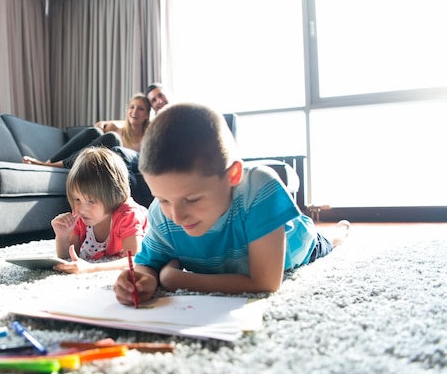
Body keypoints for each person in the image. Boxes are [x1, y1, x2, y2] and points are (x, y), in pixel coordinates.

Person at [113, 103, 350, 304]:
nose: (176, 216)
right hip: (229, 261)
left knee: (328, 244)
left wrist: (174, 279)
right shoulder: (161, 214)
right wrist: (142, 279)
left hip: (296, 245)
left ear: (233, 176)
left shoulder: (259, 187)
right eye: (163, 199)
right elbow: (148, 264)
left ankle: (338, 234)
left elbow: (265, 282)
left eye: (192, 199)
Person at [51, 146, 149, 274]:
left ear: (114, 195)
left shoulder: (128, 215)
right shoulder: (82, 217)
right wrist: (62, 236)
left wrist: (92, 268)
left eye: (91, 201)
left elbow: (135, 260)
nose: (81, 208)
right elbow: (68, 257)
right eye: (77, 199)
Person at [23, 93, 151, 168]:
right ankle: (48, 163)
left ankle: (56, 165)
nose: (134, 111)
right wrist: (104, 125)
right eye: (131, 107)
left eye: (140, 109)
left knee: (112, 138)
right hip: (98, 161)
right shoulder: (120, 128)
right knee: (94, 132)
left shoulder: (149, 135)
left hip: (119, 165)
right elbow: (99, 125)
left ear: (147, 115)